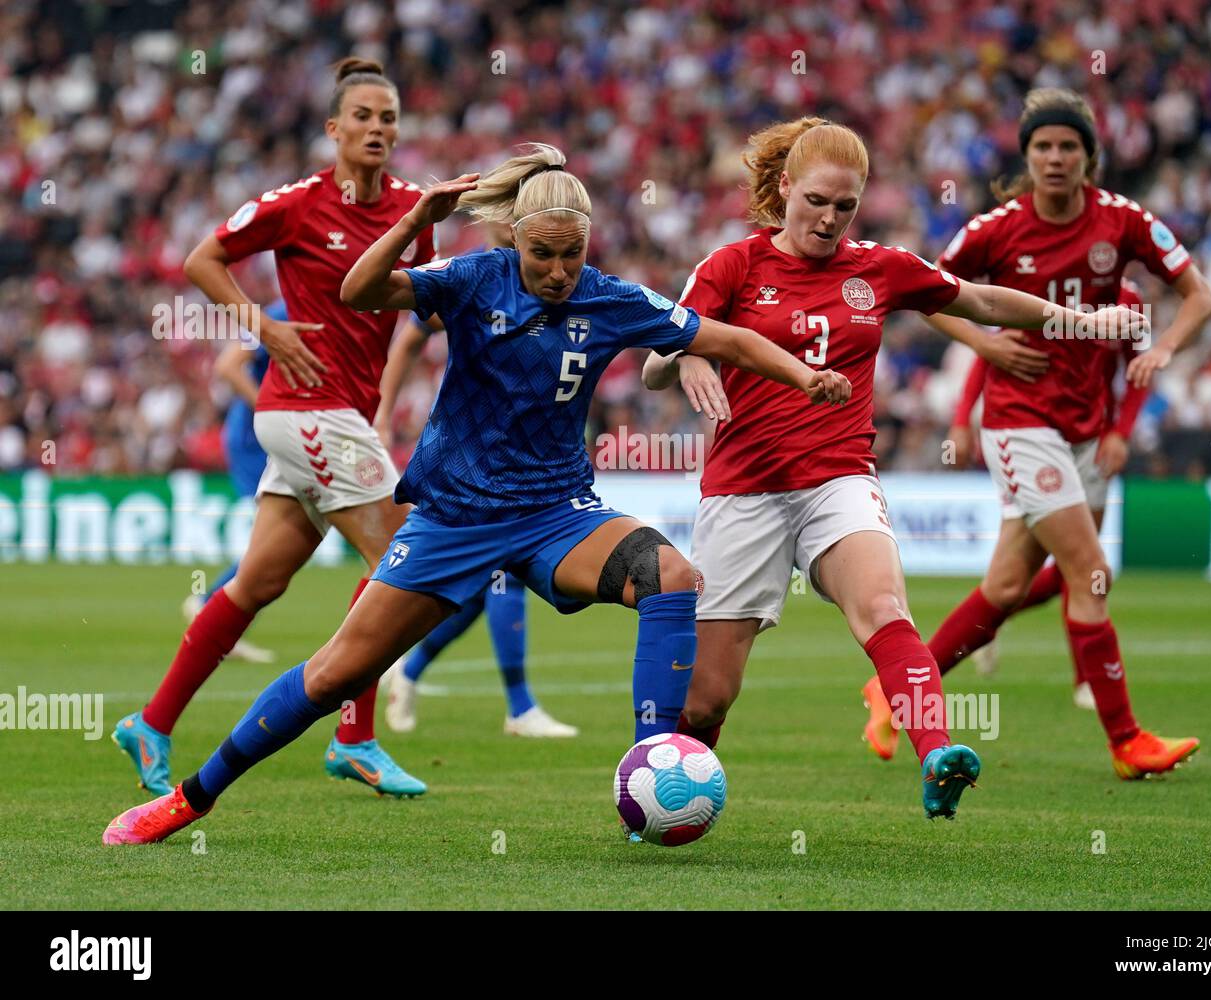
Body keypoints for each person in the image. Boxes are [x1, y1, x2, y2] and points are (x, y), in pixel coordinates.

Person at [102, 142, 851, 845]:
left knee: (673, 577)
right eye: (542, 255)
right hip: (455, 518)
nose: (558, 271)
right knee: (335, 673)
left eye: (572, 255)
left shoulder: (609, 299)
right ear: (514, 241)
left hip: (558, 514)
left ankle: (650, 767)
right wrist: (414, 222)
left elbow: (725, 339)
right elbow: (359, 291)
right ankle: (187, 799)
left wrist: (803, 375)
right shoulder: (470, 278)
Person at [643, 116, 1142, 818]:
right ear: (785, 187)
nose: (828, 219)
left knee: (883, 607)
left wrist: (1084, 324)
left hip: (839, 478)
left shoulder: (879, 267)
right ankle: (666, 792)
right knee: (708, 697)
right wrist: (690, 355)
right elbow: (655, 362)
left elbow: (985, 301)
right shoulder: (733, 265)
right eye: (816, 201)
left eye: (845, 207)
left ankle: (936, 751)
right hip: (744, 490)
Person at [862, 89, 1211, 780]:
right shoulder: (997, 228)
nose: (1055, 158)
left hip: (1083, 429)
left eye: (1068, 146)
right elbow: (923, 291)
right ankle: (1126, 740)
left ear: (1090, 156)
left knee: (1003, 588)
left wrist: (1165, 348)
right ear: (1027, 157)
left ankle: (894, 687)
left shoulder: (1123, 222)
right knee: (1090, 573)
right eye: (1043, 147)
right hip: (1020, 423)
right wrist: (987, 349)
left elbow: (1199, 292)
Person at [110, 58, 434, 799]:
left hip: (339, 414)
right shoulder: (299, 204)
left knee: (258, 581)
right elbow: (204, 259)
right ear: (334, 129)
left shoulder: (416, 211)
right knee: (403, 559)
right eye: (363, 116)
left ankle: (152, 723)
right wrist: (266, 329)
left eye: (388, 116)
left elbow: (427, 297)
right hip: (303, 407)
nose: (377, 127)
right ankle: (354, 737)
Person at [375, 224, 577, 739]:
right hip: (472, 460)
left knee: (482, 585)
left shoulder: (559, 285)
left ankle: (411, 671)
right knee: (499, 577)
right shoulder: (475, 278)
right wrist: (382, 413)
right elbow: (410, 337)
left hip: (526, 461)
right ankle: (520, 707)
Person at [934, 278, 1148, 711]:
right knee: (1089, 569)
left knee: (1065, 574)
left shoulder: (1127, 298)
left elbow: (1137, 371)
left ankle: (982, 631)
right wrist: (962, 419)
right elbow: (992, 354)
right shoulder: (1037, 285)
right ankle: (1091, 687)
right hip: (1032, 437)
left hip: (1090, 441)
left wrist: (1120, 434)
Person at [177, 303, 281, 666]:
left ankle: (217, 615)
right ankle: (211, 608)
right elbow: (228, 365)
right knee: (278, 538)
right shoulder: (282, 311)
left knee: (280, 540)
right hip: (257, 439)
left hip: (272, 436)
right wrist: (269, 409)